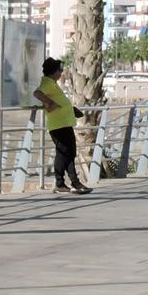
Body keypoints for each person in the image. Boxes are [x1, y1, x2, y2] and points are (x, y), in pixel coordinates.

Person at [33, 56, 90, 195]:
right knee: (63, 153)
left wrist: (70, 109)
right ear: (54, 71)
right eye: (60, 70)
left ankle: (74, 183)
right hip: (58, 124)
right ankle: (60, 183)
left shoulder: (52, 83)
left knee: (69, 153)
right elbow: (37, 93)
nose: (61, 72)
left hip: (64, 122)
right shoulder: (47, 83)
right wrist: (49, 103)